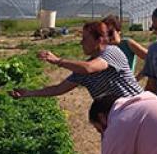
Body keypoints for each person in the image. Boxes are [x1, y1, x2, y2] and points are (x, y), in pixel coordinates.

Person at [10, 21, 142, 102]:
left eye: (85, 38)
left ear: (99, 40)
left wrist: (58, 61)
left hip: (137, 107)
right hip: (119, 117)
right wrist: (28, 93)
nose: (81, 42)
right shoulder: (83, 71)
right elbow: (58, 89)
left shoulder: (112, 51)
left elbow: (89, 68)